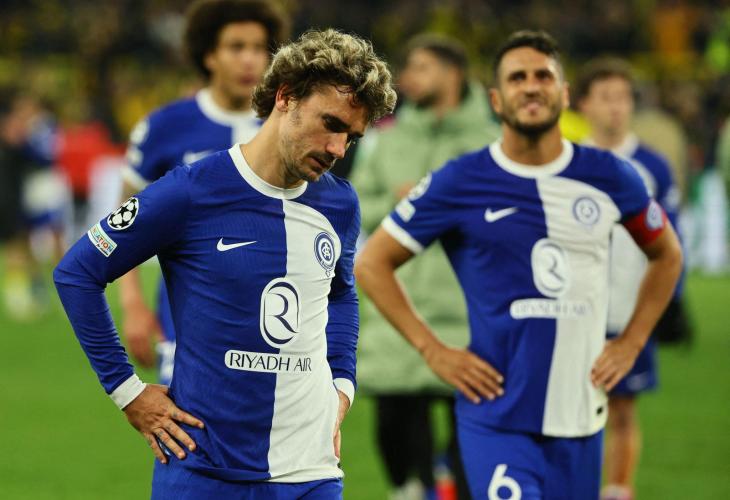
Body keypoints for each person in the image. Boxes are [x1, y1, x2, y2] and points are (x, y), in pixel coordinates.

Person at [54, 28, 396, 499]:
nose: (338, 149)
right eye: (331, 124)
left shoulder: (339, 205)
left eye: (351, 138)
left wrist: (342, 387)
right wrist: (127, 391)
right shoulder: (190, 191)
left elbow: (340, 293)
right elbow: (77, 272)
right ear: (286, 97)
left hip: (310, 473)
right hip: (202, 470)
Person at [354, 30, 682, 499]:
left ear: (564, 94)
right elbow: (372, 263)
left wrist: (631, 341)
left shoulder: (610, 176)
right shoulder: (460, 180)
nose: (531, 86)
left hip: (581, 416)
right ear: (496, 99)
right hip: (497, 416)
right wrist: (433, 350)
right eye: (517, 78)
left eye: (543, 76)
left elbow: (667, 254)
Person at [351, 33, 499, 500]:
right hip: (398, 312)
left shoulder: (492, 141)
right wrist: (403, 206)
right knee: (395, 440)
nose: (409, 77)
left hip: (466, 315)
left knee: (472, 454)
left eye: (422, 67)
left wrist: (444, 207)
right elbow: (357, 203)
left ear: (453, 73)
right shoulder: (387, 139)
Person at [119, 0, 290, 384]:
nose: (249, 59)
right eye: (236, 47)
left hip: (272, 320)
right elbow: (124, 220)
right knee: (182, 424)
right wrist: (133, 304)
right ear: (209, 55)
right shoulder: (165, 127)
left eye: (259, 48)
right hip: (186, 321)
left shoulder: (289, 127)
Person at [574, 57, 682, 500]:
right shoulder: (567, 162)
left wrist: (672, 301)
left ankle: (618, 491)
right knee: (571, 409)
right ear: (583, 104)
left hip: (629, 309)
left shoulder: (653, 166)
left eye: (622, 98)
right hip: (573, 309)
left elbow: (673, 242)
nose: (616, 107)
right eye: (606, 97)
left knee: (622, 409)